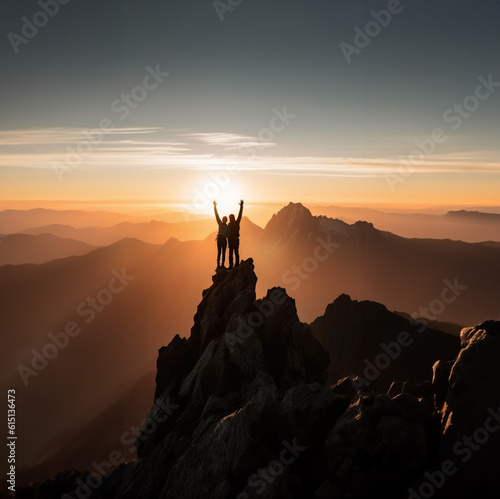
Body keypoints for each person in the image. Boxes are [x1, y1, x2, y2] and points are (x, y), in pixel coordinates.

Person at [227, 200, 244, 269]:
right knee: (236, 252)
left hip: (231, 240)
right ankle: (236, 264)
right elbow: (240, 215)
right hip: (235, 240)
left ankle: (231, 265)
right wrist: (241, 206)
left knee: (231, 253)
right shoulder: (236, 223)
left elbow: (240, 215)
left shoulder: (229, 224)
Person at [213, 201, 228, 269]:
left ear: (222, 219)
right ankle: (222, 264)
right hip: (224, 239)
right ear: (226, 220)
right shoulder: (227, 227)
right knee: (223, 253)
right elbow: (228, 235)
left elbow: (216, 215)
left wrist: (215, 207)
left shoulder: (220, 224)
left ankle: (218, 264)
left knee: (219, 252)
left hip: (220, 239)